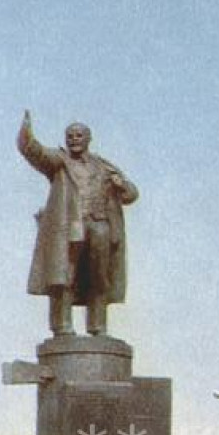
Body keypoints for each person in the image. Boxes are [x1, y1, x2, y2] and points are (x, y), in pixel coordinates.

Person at [17, 111, 138, 337]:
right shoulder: (60, 161)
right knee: (65, 276)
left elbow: (131, 195)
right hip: (71, 227)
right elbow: (36, 153)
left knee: (99, 277)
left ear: (88, 139)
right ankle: (62, 326)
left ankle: (98, 326)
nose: (74, 139)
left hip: (100, 225)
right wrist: (26, 136)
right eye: (70, 135)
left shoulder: (103, 166)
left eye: (79, 135)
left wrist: (122, 186)